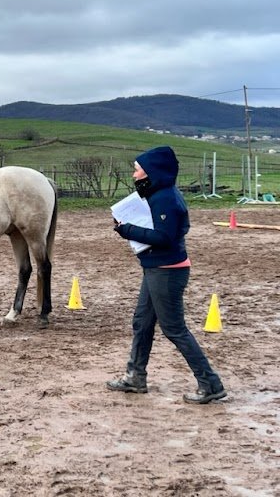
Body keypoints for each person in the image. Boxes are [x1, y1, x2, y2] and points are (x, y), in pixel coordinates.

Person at [107, 146, 226, 404]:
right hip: (154, 268)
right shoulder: (158, 194)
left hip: (167, 271)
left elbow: (164, 237)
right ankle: (135, 377)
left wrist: (127, 230)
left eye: (137, 169)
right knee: (142, 322)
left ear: (152, 171)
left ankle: (211, 383)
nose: (134, 174)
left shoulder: (165, 198)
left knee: (174, 329)